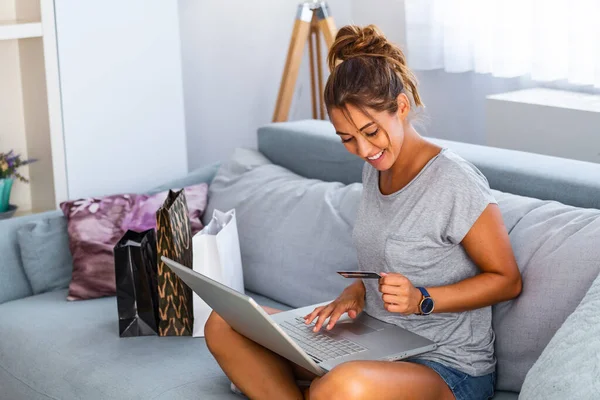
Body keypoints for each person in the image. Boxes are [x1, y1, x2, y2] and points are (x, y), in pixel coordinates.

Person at [205, 24, 522, 400]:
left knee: (339, 387)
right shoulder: (376, 168)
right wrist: (358, 291)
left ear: (401, 107)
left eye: (371, 131)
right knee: (225, 322)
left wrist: (423, 298)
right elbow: (395, 261)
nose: (363, 149)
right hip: (377, 345)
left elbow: (506, 280)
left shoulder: (454, 180)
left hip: (447, 366)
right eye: (347, 139)